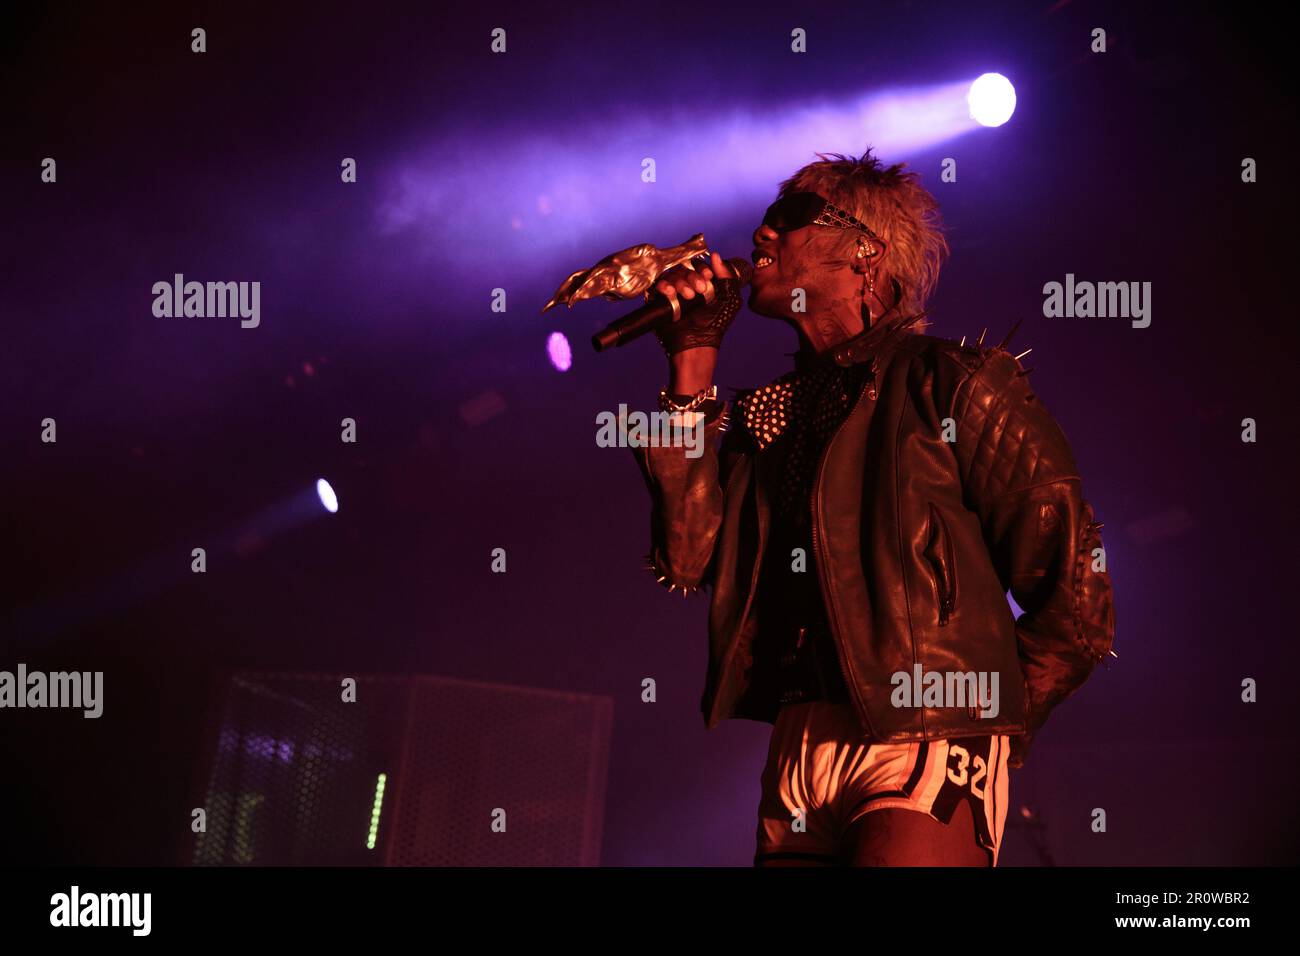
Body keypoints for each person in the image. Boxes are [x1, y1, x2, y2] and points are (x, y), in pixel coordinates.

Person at [631, 149, 1115, 866]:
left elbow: (1077, 598)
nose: (763, 232)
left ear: (865, 250)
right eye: (766, 215)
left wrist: (986, 724)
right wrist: (693, 357)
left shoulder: (952, 384)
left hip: (925, 739)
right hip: (798, 747)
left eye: (791, 216)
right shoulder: (770, 417)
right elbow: (688, 555)